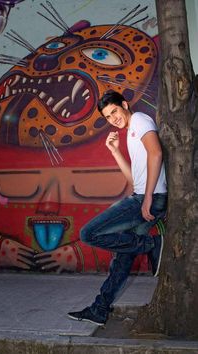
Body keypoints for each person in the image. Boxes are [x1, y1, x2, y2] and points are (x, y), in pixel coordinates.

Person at [67, 90, 167, 326]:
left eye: (114, 112)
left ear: (124, 104)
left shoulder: (141, 120)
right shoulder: (131, 133)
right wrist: (114, 151)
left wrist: (148, 198)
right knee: (122, 259)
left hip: (148, 197)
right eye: (108, 117)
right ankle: (100, 310)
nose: (113, 119)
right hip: (143, 194)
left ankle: (151, 244)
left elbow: (157, 152)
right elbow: (134, 179)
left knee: (88, 233)